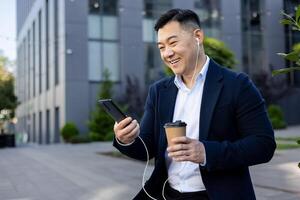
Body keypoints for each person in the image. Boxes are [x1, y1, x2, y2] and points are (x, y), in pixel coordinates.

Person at [113, 8, 276, 200]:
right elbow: (146, 148)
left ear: (197, 36)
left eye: (173, 43)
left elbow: (263, 145)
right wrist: (126, 139)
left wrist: (206, 152)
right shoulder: (159, 91)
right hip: (167, 194)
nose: (167, 53)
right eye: (161, 47)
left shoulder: (238, 85)